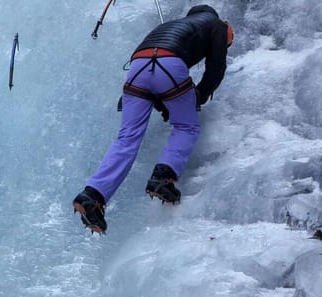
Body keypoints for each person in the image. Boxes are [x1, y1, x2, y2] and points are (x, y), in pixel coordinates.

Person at [73, 5, 234, 234]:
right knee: (186, 126)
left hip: (138, 67)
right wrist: (199, 95)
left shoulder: (173, 26)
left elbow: (154, 77)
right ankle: (163, 178)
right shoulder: (217, 24)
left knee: (127, 138)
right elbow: (216, 68)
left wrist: (167, 101)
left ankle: (92, 195)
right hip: (168, 64)